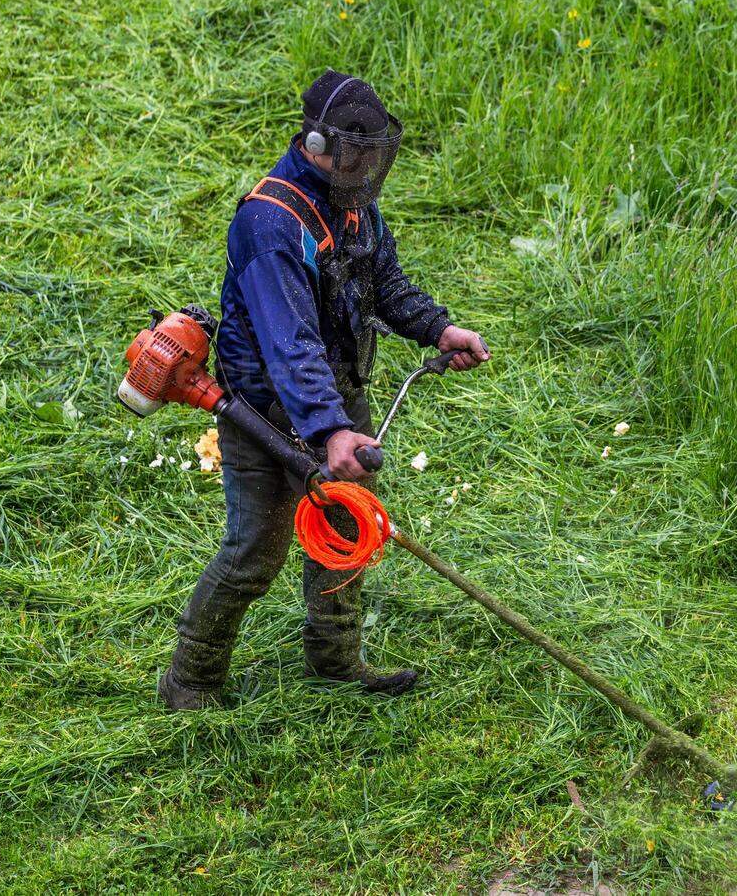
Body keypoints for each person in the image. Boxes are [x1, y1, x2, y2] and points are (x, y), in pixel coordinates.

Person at [159, 70, 490, 711]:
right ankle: (190, 679)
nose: (368, 168)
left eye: (376, 155)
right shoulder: (271, 225)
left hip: (336, 400)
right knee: (257, 550)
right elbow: (289, 345)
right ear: (316, 142)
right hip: (267, 411)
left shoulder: (353, 203)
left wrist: (438, 328)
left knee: (345, 532)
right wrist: (330, 429)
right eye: (355, 153)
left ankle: (335, 658)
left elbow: (386, 285)